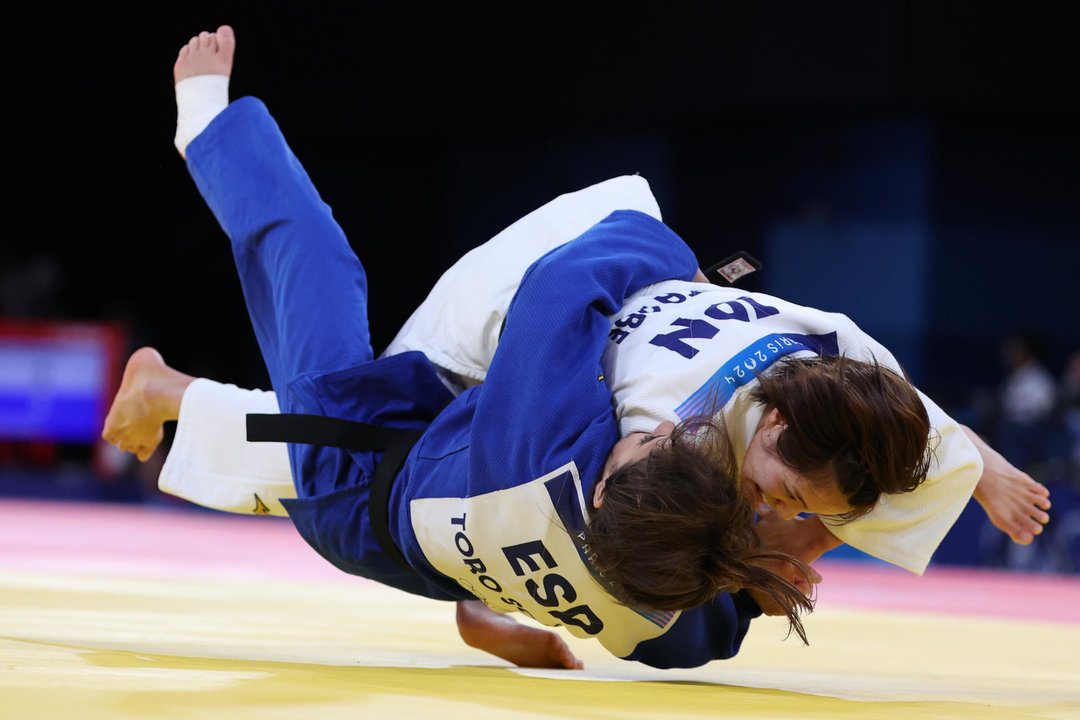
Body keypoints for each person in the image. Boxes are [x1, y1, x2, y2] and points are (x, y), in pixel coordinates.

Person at [126, 25, 819, 671]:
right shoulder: (649, 603)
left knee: (320, 267)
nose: (664, 425)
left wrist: (680, 268)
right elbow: (693, 630)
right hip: (433, 540)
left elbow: (561, 287)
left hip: (360, 473)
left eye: (650, 443)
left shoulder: (543, 449)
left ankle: (208, 129)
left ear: (603, 488)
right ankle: (168, 391)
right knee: (339, 447)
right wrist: (774, 567)